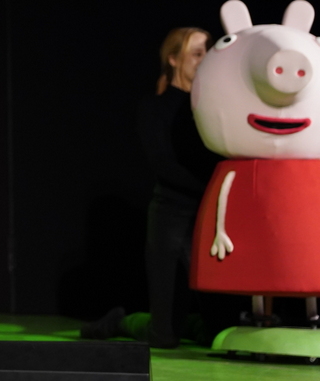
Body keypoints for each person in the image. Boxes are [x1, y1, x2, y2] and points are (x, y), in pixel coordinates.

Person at [82, 27, 226, 348]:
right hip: (172, 218)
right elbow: (164, 165)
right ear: (173, 59)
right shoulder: (155, 107)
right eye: (197, 53)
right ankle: (119, 321)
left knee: (219, 333)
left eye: (208, 52)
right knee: (164, 337)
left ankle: (192, 323)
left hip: (208, 218)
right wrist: (212, 185)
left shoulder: (213, 105)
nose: (205, 59)